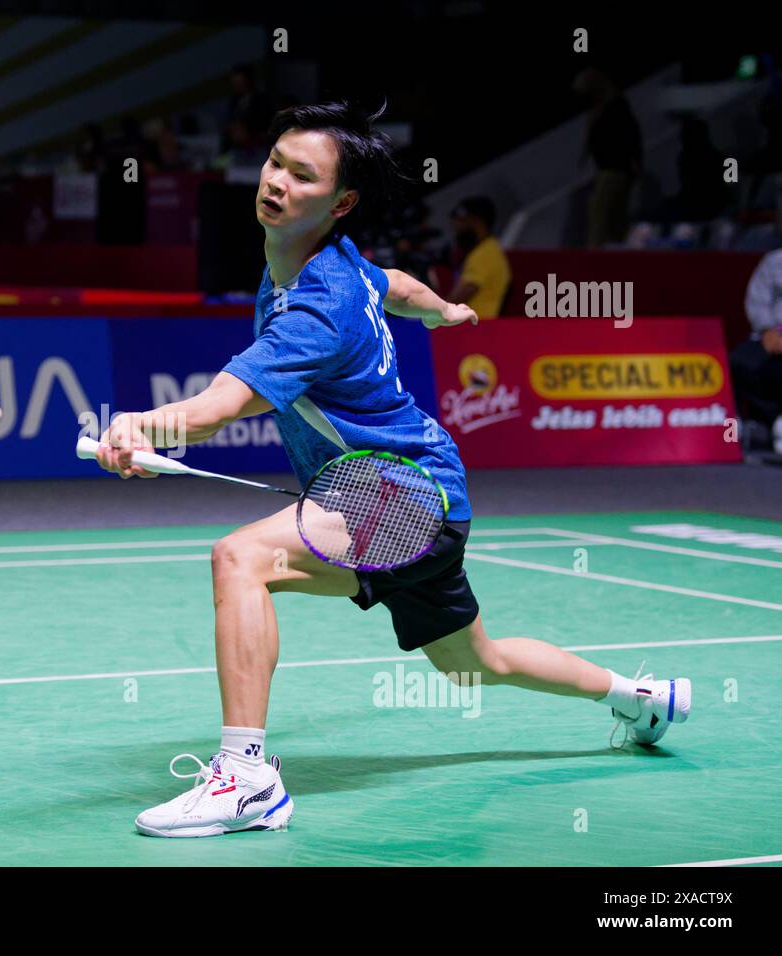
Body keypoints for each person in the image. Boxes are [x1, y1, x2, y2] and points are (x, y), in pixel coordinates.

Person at [94, 101, 691, 838]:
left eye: (301, 175)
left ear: (340, 202)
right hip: (421, 493)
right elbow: (394, 283)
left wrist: (141, 425)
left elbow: (222, 407)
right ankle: (642, 696)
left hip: (398, 492)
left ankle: (246, 779)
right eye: (275, 161)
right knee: (478, 661)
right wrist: (442, 309)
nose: (275, 182)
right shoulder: (325, 259)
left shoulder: (316, 306)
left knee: (240, 559)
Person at [574, 69, 643, 247]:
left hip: (616, 166)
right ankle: (618, 246)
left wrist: (636, 160)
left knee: (599, 209)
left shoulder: (616, 105)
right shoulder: (600, 107)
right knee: (615, 213)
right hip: (607, 166)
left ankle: (597, 253)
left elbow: (631, 134)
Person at [732, 247, 782, 452]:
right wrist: (767, 328)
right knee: (740, 360)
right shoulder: (775, 261)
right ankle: (760, 423)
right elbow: (757, 301)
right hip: (775, 333)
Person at [447, 196, 511, 320]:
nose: (456, 229)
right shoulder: (486, 249)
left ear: (477, 222)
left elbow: (454, 302)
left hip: (477, 329)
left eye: (461, 221)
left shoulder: (484, 255)